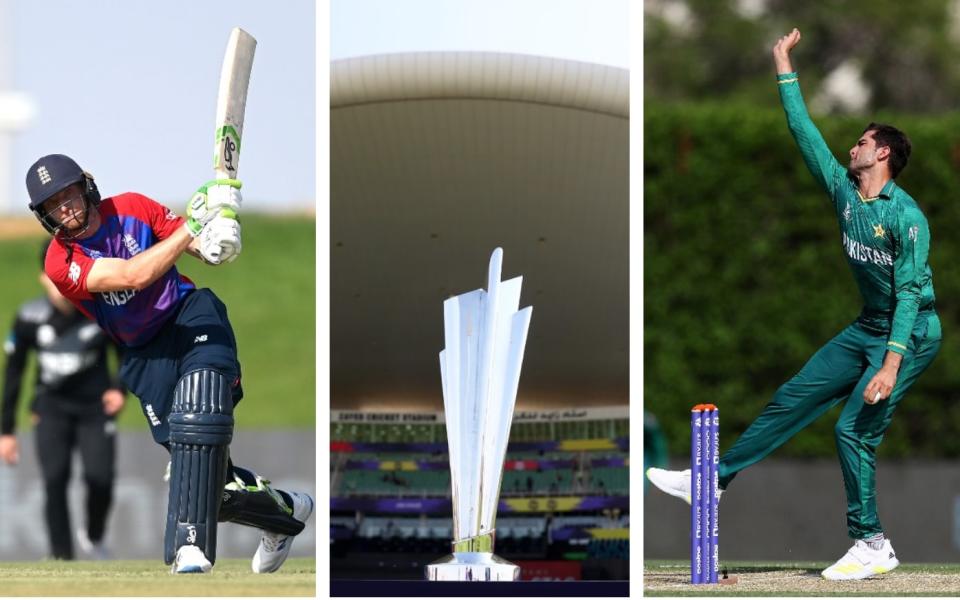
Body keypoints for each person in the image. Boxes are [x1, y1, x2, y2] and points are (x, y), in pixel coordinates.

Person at [646, 28, 941, 581]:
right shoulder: (843, 191)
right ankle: (713, 479)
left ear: (882, 154)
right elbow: (802, 131)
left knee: (853, 430)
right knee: (790, 398)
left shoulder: (907, 217)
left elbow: (908, 295)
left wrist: (891, 363)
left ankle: (872, 542)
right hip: (867, 328)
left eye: (860, 141)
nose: (850, 146)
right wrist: (784, 65)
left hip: (911, 334)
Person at [24, 154, 314, 574]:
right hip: (142, 353)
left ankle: (189, 548)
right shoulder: (59, 262)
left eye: (67, 194)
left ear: (84, 187)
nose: (64, 207)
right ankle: (285, 513)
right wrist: (193, 227)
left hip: (188, 315)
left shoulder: (133, 207)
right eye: (52, 204)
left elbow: (200, 249)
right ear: (45, 215)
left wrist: (219, 234)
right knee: (204, 480)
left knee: (200, 411)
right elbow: (131, 276)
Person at [1, 240, 125, 560]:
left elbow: (125, 353)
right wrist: (7, 431)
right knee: (54, 479)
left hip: (95, 409)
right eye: (51, 278)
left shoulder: (101, 311)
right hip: (50, 407)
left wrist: (118, 388)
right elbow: (14, 373)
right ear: (44, 278)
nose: (60, 287)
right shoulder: (29, 317)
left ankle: (95, 536)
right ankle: (61, 555)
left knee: (101, 478)